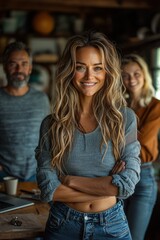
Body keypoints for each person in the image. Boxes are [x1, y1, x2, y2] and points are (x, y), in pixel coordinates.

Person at [35, 31, 141, 240]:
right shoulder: (52, 125)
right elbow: (49, 189)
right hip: (62, 224)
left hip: (111, 225)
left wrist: (70, 180)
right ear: (69, 71)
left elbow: (127, 185)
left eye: (97, 68)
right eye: (80, 67)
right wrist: (108, 186)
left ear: (107, 72)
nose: (89, 76)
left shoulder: (125, 119)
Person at [121, 53, 160, 240]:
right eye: (126, 75)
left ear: (145, 75)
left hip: (143, 178)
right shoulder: (118, 105)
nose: (132, 79)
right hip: (118, 175)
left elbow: (142, 140)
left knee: (134, 237)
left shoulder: (156, 106)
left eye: (136, 73)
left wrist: (117, 136)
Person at [0, 41, 50, 182]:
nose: (19, 69)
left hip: (36, 175)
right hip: (3, 176)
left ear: (30, 68)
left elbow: (48, 137)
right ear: (5, 67)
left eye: (24, 64)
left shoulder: (41, 99)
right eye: (13, 64)